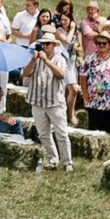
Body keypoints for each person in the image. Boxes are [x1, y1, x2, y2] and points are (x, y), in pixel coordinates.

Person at [25, 30, 73, 171]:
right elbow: (25, 74)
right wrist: (33, 60)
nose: (45, 46)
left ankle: (67, 162)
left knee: (61, 133)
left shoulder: (59, 59)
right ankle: (52, 160)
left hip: (55, 102)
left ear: (53, 45)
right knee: (43, 134)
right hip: (38, 101)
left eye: (47, 44)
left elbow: (61, 74)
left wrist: (46, 61)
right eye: (43, 44)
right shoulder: (35, 59)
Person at [80, 30, 110, 137]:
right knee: (95, 130)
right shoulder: (89, 59)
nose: (101, 45)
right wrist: (85, 94)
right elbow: (82, 77)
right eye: (99, 43)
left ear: (109, 45)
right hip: (95, 101)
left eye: (104, 43)